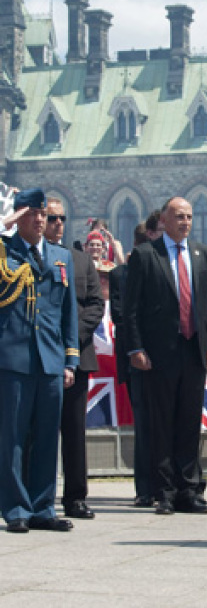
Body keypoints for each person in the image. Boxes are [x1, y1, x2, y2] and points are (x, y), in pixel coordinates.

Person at [124, 197, 207, 516]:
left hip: (194, 350)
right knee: (161, 424)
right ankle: (163, 491)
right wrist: (136, 348)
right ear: (164, 220)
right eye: (179, 216)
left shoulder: (202, 255)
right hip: (159, 354)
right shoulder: (145, 255)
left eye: (189, 216)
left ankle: (188, 489)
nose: (185, 222)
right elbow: (131, 309)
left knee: (189, 423)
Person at [1, 188, 79, 533]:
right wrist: (5, 225)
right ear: (18, 218)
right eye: (30, 214)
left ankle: (43, 506)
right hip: (14, 357)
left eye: (42, 214)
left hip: (50, 359)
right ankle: (16, 508)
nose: (38, 220)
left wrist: (70, 360)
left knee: (48, 436)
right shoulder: (5, 251)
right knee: (13, 437)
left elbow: (68, 314)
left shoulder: (61, 257)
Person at [45, 197, 104, 520]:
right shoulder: (32, 259)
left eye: (61, 218)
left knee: (74, 430)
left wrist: (69, 338)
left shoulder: (80, 261)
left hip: (75, 356)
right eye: (52, 218)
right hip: (39, 356)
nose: (57, 224)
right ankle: (33, 494)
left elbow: (95, 304)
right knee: (36, 430)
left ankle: (76, 497)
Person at [110, 215, 160, 507]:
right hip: (137, 358)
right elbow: (120, 315)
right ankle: (145, 487)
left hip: (165, 358)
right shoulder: (121, 275)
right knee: (143, 424)